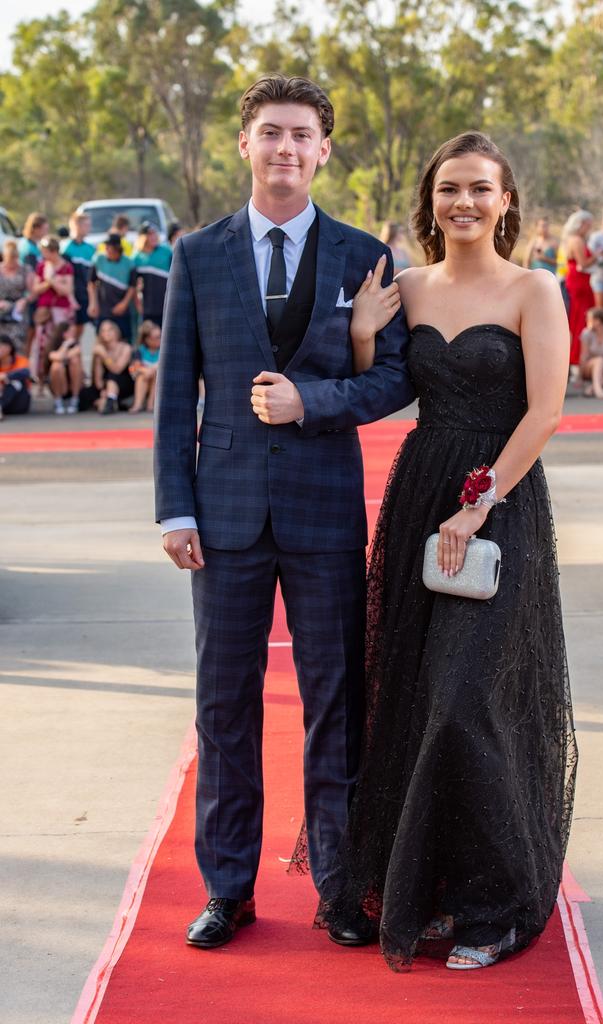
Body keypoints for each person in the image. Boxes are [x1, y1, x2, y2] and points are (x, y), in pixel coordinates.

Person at [154, 73, 413, 952]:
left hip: (323, 514)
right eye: (271, 133)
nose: (286, 149)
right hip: (220, 518)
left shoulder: (363, 256)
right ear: (245, 144)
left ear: (325, 149)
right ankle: (228, 889)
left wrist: (314, 401)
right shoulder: (196, 254)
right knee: (223, 706)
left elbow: (393, 378)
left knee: (336, 705)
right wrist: (172, 511)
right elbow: (172, 398)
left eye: (302, 135)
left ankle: (339, 889)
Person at [319, 130, 577, 971]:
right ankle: (429, 889)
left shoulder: (535, 288)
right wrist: (363, 337)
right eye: (448, 189)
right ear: (429, 201)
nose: (464, 202)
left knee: (470, 698)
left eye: (481, 189)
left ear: (507, 202)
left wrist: (479, 506)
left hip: (496, 504)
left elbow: (544, 414)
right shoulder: (406, 287)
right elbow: (385, 388)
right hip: (418, 497)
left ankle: (494, 906)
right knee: (415, 696)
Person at [87, 233, 137, 340]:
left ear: (117, 248)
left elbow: (132, 286)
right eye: (106, 246)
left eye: (109, 247)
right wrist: (93, 303)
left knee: (124, 339)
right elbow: (91, 283)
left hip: (122, 310)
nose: (106, 249)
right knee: (102, 339)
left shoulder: (129, 263)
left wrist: (123, 304)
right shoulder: (98, 259)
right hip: (103, 309)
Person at [563, 209, 596, 367]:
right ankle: (576, 355)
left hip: (580, 281)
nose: (589, 229)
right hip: (579, 283)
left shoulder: (573, 239)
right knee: (580, 319)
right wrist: (598, 256)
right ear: (581, 224)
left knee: (579, 318)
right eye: (588, 225)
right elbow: (583, 263)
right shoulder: (577, 240)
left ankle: (578, 354)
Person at [84, 319, 134, 414]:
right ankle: (108, 401)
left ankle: (109, 401)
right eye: (103, 330)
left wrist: (104, 355)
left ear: (116, 331)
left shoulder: (125, 348)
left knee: (113, 377)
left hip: (123, 383)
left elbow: (117, 369)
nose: (106, 333)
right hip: (106, 384)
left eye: (110, 330)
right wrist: (103, 389)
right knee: (86, 392)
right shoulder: (100, 349)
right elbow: (98, 380)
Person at [62, 212, 96, 341]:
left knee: (83, 326)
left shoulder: (90, 248)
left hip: (86, 293)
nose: (89, 228)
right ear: (76, 226)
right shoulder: (66, 248)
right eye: (86, 225)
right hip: (73, 294)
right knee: (72, 328)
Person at [132, 222, 173, 327]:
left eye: (155, 233)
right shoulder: (136, 258)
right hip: (147, 307)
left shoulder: (167, 252)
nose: (153, 237)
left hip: (166, 304)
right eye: (149, 234)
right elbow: (133, 285)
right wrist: (137, 304)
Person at [31, 235, 75, 324]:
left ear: (54, 251)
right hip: (44, 309)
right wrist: (49, 282)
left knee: (59, 335)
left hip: (61, 308)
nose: (43, 255)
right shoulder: (41, 266)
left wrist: (51, 280)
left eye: (45, 252)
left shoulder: (66, 267)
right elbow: (35, 288)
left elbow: (67, 290)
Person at [0, 239, 32, 353]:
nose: (12, 262)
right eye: (10, 259)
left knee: (18, 344)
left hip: (18, 311)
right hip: (2, 310)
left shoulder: (25, 269)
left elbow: (31, 291)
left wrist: (24, 300)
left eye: (14, 259)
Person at [46, 321, 83, 414]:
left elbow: (67, 355)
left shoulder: (76, 345)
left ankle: (75, 399)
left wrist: (63, 354)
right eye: (70, 332)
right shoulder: (52, 345)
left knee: (75, 361)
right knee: (56, 366)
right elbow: (57, 357)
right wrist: (65, 345)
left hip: (73, 383)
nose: (72, 335)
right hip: (58, 382)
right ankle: (58, 400)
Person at [129, 319, 161, 413]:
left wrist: (152, 369)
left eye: (160, 336)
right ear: (146, 339)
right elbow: (134, 367)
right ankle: (138, 403)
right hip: (142, 378)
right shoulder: (139, 350)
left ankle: (151, 404)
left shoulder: (162, 350)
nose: (159, 339)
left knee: (156, 374)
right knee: (143, 376)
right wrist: (146, 370)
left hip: (156, 377)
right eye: (156, 337)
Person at [0, 334, 32, 419]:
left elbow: (26, 372)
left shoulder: (20, 360)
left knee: (15, 382)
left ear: (10, 347)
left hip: (18, 403)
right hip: (2, 398)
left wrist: (6, 376)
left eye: (2, 346)